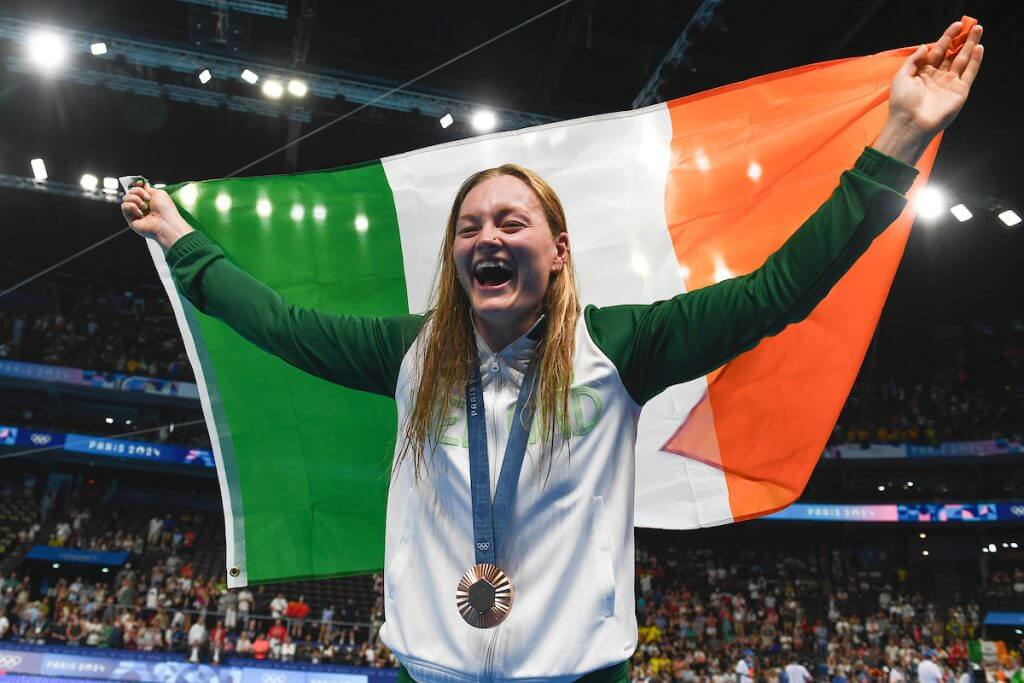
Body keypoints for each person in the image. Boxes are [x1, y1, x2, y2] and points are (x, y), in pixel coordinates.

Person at [122, 21, 983, 683]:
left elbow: (778, 291)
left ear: (558, 250)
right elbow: (279, 323)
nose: (486, 236)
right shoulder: (413, 352)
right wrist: (179, 238)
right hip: (428, 667)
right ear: (454, 256)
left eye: (510, 221)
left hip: (580, 671)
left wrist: (900, 138)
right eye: (469, 227)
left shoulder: (621, 345)